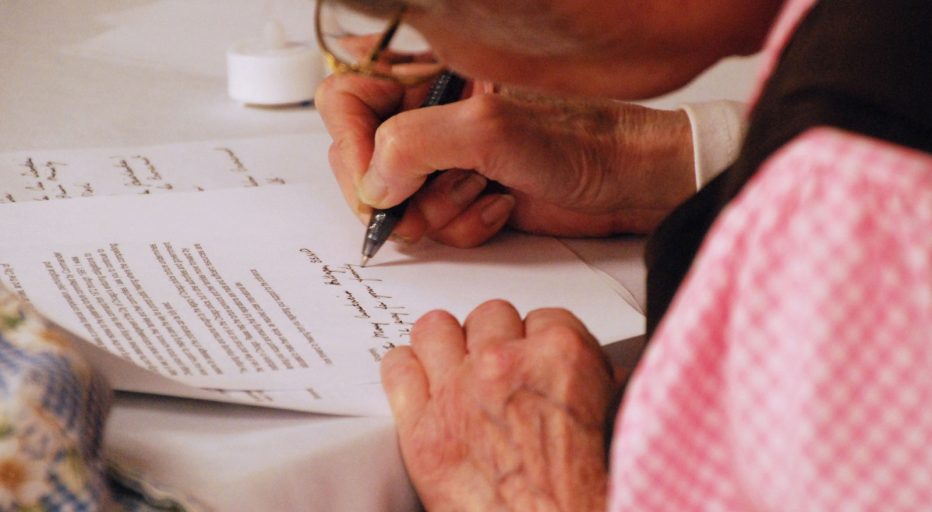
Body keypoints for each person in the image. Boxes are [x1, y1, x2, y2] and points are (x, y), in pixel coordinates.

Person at [316, 0, 932, 510]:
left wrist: (543, 495)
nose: (443, 58)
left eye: (416, 11)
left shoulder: (866, 205)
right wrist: (649, 158)